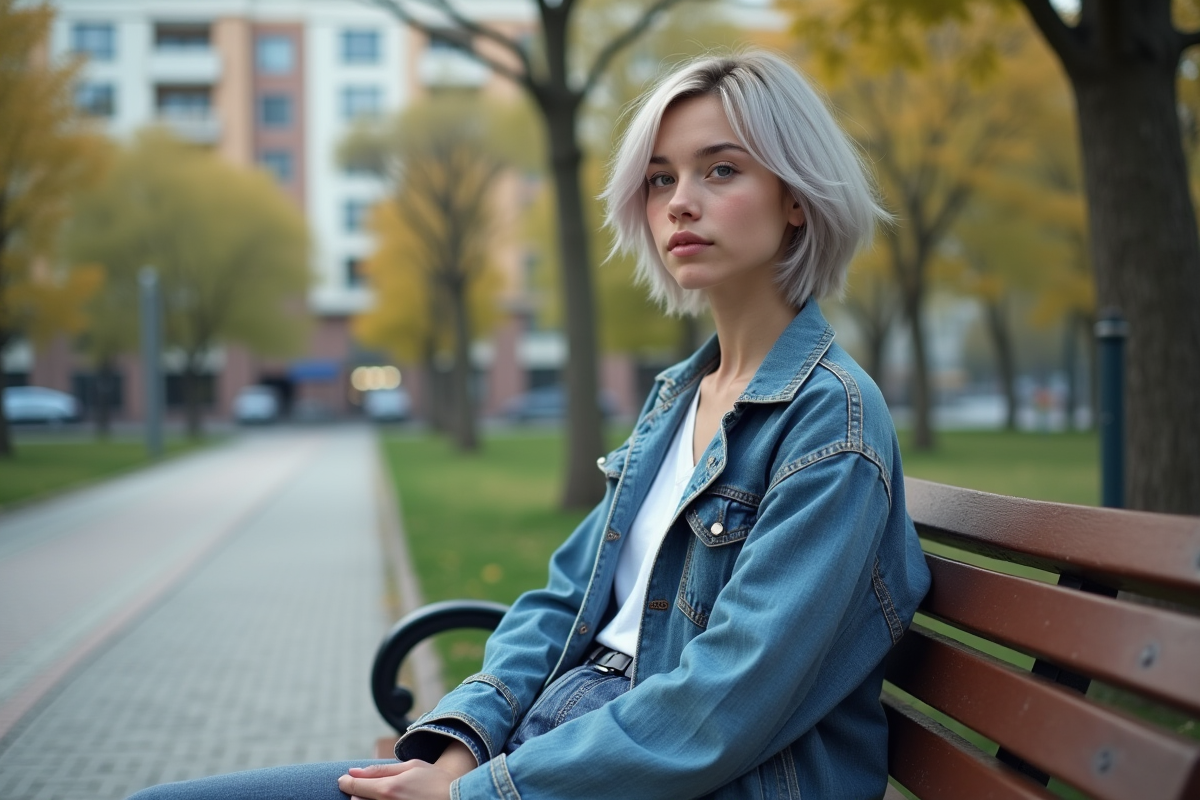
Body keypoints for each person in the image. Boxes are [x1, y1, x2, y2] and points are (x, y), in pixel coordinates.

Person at [129, 49, 930, 800]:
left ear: (797, 198)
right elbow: (560, 602)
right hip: (560, 746)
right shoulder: (680, 397)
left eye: (721, 169)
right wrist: (458, 748)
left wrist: (479, 791)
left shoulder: (830, 422)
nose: (680, 202)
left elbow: (722, 705)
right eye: (660, 178)